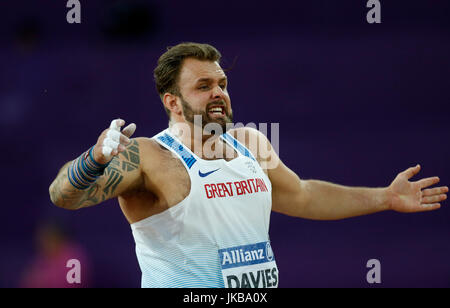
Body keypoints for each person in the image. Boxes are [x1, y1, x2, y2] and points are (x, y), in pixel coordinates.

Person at [49, 42, 448, 288]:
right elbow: (63, 196)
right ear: (172, 102)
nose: (218, 92)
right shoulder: (150, 156)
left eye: (221, 83)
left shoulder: (249, 143)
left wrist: (385, 197)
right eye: (203, 87)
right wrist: (95, 159)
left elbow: (304, 196)